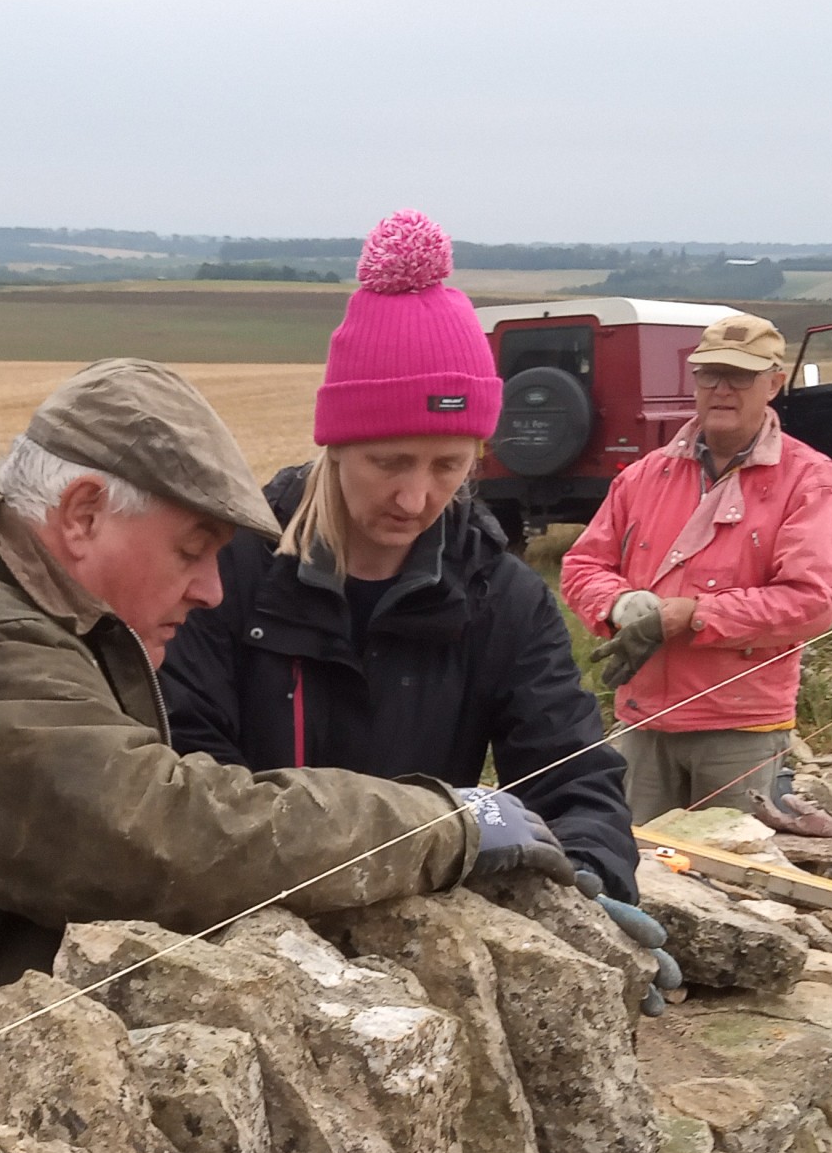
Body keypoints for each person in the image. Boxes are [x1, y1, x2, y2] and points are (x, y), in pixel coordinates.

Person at [0, 357, 562, 1116]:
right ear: (82, 514)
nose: (211, 592)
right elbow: (178, 839)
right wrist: (444, 821)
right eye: (192, 551)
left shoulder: (17, 611)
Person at [163, 212, 639, 907]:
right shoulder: (228, 575)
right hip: (248, 923)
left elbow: (571, 777)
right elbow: (188, 776)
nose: (415, 498)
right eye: (388, 461)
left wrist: (593, 884)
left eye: (449, 464)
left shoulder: (503, 599)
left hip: (422, 927)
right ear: (334, 445)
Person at [560, 312, 832, 826]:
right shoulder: (642, 476)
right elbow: (583, 564)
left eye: (740, 375)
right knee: (638, 869)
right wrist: (619, 604)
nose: (722, 389)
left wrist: (691, 615)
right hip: (642, 722)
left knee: (735, 883)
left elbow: (811, 602)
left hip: (740, 728)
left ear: (774, 383)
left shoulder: (810, 480)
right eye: (709, 373)